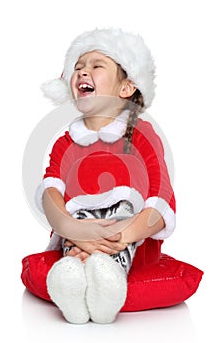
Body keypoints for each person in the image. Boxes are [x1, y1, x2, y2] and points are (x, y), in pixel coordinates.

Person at [35, 28, 176, 324]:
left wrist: (115, 238)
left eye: (96, 65)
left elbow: (161, 199)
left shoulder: (142, 136)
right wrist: (73, 229)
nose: (83, 72)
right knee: (71, 246)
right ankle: (71, 283)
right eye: (78, 68)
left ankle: (108, 280)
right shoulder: (66, 143)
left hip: (125, 236)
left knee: (125, 206)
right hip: (76, 233)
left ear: (126, 88)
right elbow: (51, 192)